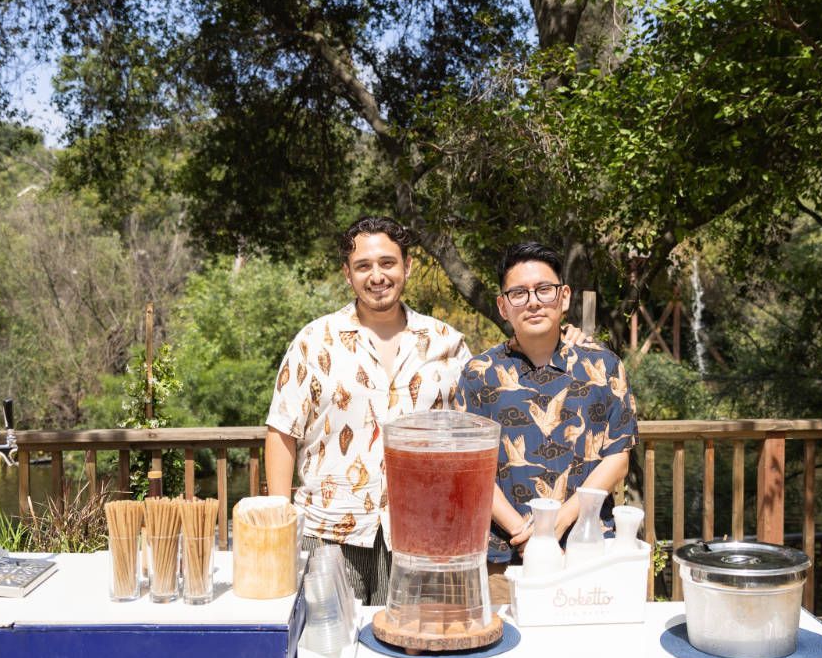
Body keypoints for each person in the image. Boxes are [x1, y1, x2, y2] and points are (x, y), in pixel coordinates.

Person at [264, 217, 473, 604]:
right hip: (327, 532)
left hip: (421, 533)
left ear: (407, 266)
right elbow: (281, 431)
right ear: (348, 274)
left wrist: (566, 339)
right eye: (363, 266)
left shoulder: (447, 343)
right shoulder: (314, 341)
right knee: (325, 651)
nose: (377, 276)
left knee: (413, 653)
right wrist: (280, 523)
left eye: (388, 263)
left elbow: (476, 426)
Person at [458, 241, 636, 565]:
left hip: (588, 546)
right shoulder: (479, 375)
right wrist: (526, 532)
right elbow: (469, 467)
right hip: (504, 553)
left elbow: (617, 458)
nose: (533, 302)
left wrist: (562, 520)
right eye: (519, 293)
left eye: (544, 290)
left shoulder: (604, 367)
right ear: (503, 306)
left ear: (564, 296)